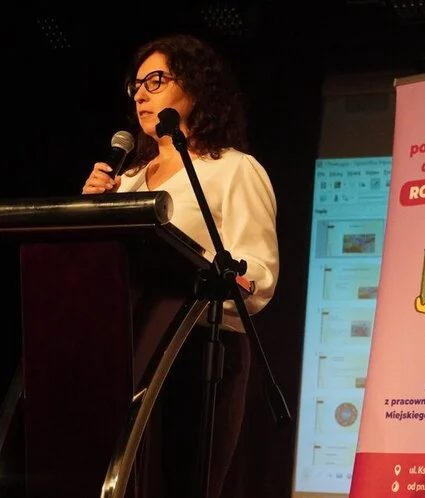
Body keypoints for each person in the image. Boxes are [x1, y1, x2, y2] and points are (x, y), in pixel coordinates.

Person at [81, 33, 279, 498]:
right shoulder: (127, 182)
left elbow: (259, 274)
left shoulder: (233, 169)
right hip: (121, 353)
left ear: (195, 87)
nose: (141, 94)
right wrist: (90, 211)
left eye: (156, 80)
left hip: (199, 352)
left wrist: (205, 274)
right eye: (135, 85)